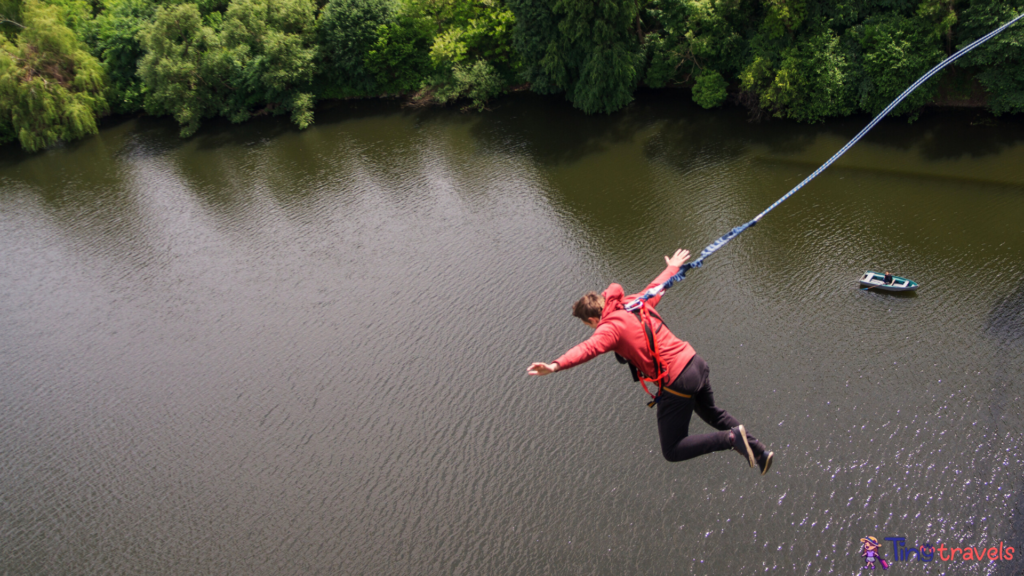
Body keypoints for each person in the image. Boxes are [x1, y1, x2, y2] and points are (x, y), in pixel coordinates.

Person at [527, 248, 773, 474]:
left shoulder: (609, 328)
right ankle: (760, 452)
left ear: (592, 319)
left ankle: (731, 440)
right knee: (711, 413)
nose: (593, 329)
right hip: (695, 362)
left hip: (677, 380)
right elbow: (660, 285)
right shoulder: (635, 301)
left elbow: (587, 349)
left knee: (673, 449)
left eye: (589, 325)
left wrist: (555, 365)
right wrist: (673, 266)